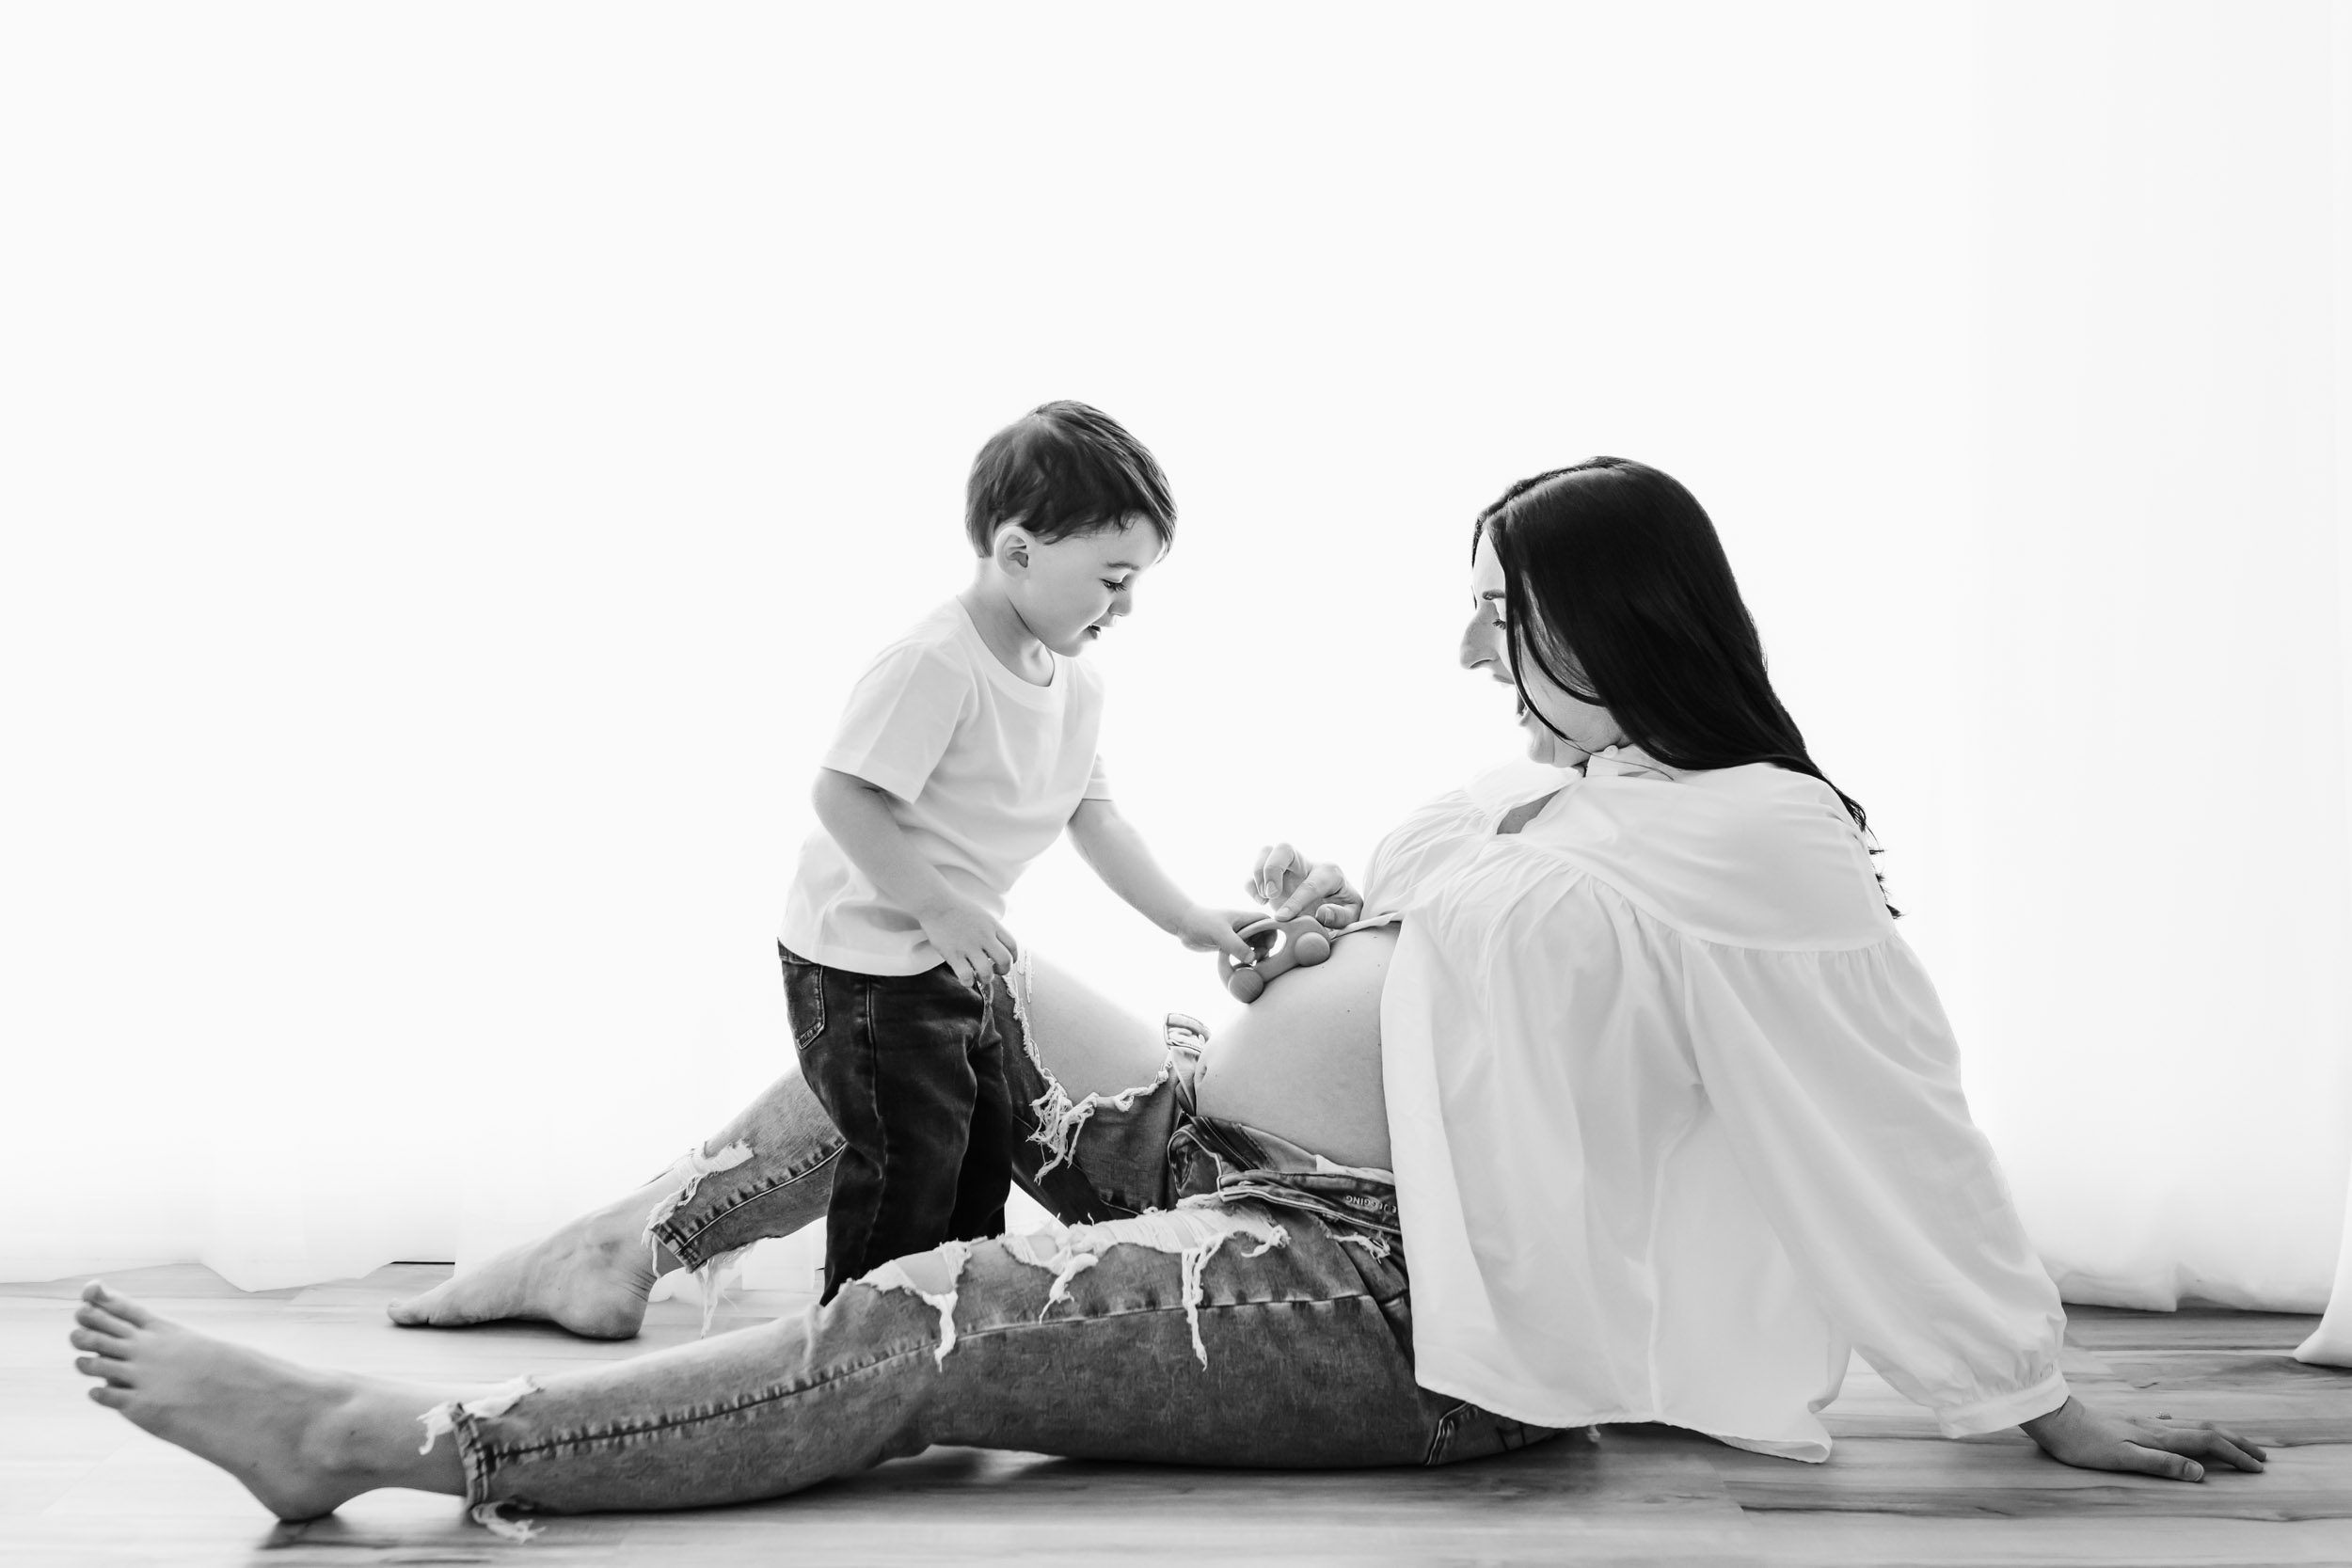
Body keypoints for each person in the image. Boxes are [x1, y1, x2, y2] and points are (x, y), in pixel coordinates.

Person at [68, 459, 2266, 1539]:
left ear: (1631, 621)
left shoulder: (1769, 834)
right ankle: (629, 1239)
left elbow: (1892, 1104)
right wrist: (1318, 928)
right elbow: (1461, 975)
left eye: (1503, 622)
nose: (1473, 662)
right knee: (962, 992)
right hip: (1251, 1137)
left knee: (924, 1327)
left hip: (1409, 1300)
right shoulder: (1551, 774)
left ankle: (390, 1446)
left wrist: (2034, 1391)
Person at [780, 399, 1253, 1300]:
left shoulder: (1072, 680)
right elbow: (843, 792)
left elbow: (1099, 817)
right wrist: (938, 905)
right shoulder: (936, 664)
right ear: (1018, 553)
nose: (1128, 603)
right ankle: (856, 1338)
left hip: (953, 958)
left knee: (979, 1152)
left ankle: (954, 1330)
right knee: (911, 1160)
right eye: (1113, 577)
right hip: (868, 963)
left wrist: (1187, 916)